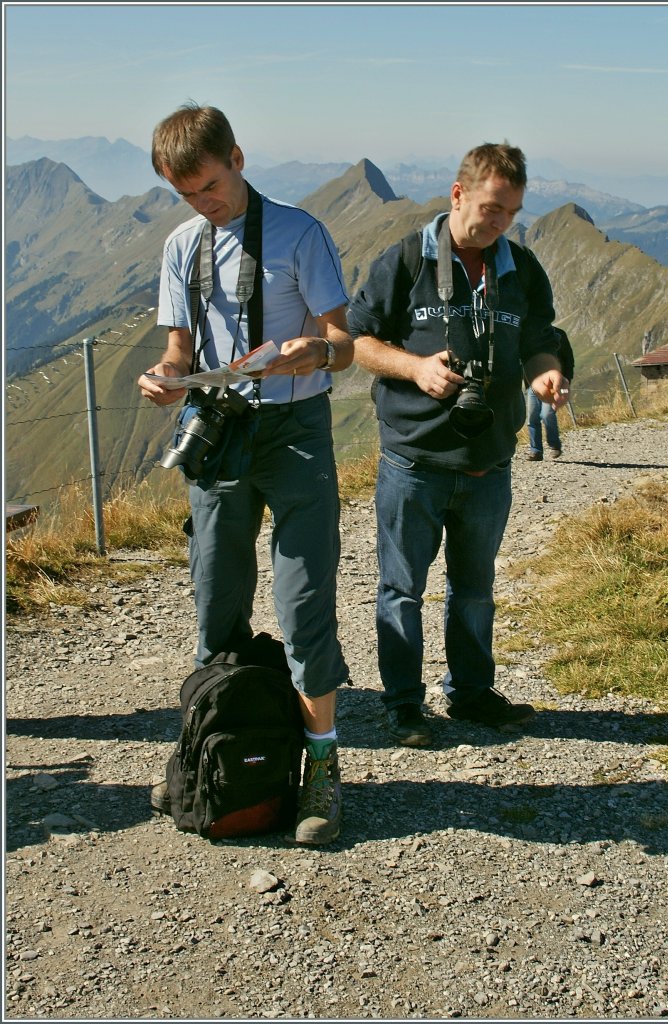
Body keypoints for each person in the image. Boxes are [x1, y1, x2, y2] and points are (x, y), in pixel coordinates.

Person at [138, 103, 353, 845]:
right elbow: (179, 347)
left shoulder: (300, 232)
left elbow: (343, 342)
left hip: (296, 431)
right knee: (215, 599)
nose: (204, 203)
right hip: (220, 431)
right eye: (186, 193)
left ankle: (321, 769)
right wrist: (168, 377)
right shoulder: (181, 246)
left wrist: (315, 353)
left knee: (304, 603)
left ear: (237, 157)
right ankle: (206, 754)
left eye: (210, 185)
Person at [346, 142, 568, 747]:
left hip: (487, 464)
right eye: (492, 208)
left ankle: (470, 693)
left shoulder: (520, 269)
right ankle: (403, 705)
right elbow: (357, 341)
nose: (500, 224)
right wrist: (416, 368)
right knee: (401, 590)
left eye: (511, 213)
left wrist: (545, 374)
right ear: (458, 194)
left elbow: (539, 341)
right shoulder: (405, 260)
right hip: (413, 461)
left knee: (474, 593)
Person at [527, 326, 574, 461]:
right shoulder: (529, 334)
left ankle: (554, 445)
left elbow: (568, 359)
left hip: (555, 384)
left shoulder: (559, 334)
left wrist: (566, 381)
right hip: (533, 384)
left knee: (547, 414)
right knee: (532, 418)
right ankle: (536, 451)